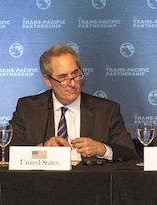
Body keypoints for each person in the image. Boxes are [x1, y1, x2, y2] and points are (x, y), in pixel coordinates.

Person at [7, 43, 136, 162]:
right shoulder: (28, 108)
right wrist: (42, 150)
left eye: (75, 74)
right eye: (63, 78)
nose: (73, 83)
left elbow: (130, 153)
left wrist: (102, 149)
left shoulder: (106, 110)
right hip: (42, 183)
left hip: (91, 183)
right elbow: (3, 152)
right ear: (47, 80)